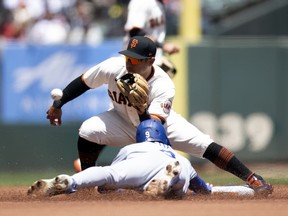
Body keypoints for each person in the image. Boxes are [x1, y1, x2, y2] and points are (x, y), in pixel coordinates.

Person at [46, 36, 273, 196]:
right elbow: (84, 82)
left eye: (135, 59)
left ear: (151, 60)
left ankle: (252, 177)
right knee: (88, 130)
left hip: (160, 129)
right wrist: (59, 104)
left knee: (205, 145)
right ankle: (88, 181)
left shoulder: (163, 84)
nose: (129, 63)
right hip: (122, 121)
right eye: (128, 57)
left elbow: (151, 127)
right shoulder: (114, 68)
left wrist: (140, 106)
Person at [27, 119, 212, 197]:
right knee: (179, 189)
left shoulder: (133, 147)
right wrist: (242, 189)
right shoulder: (180, 158)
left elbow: (108, 185)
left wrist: (108, 187)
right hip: (177, 165)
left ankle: (71, 181)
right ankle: (169, 180)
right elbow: (205, 191)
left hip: (140, 163)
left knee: (108, 173)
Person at [123, 0, 179, 78]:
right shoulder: (141, 2)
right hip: (136, 61)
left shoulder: (159, 3)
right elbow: (135, 32)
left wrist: (159, 57)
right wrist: (163, 45)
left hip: (148, 61)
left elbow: (153, 34)